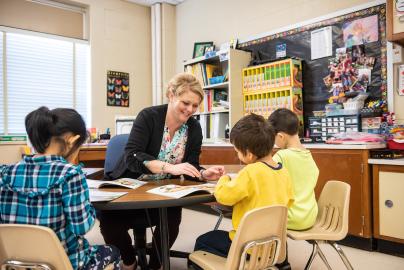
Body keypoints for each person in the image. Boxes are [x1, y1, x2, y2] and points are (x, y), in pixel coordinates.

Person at [99, 73, 225, 270]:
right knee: (109, 221)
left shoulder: (194, 127)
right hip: (131, 184)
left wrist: (202, 174)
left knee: (172, 219)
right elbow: (132, 155)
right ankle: (129, 260)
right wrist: (168, 167)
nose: (190, 109)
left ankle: (156, 265)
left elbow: (192, 163)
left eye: (195, 105)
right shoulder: (149, 117)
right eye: (186, 103)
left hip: (163, 190)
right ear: (171, 95)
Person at [0, 106, 121, 270]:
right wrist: (89, 207)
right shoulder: (70, 174)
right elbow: (82, 227)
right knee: (113, 251)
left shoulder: (5, 173)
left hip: (16, 263)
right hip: (64, 263)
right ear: (72, 140)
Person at [194, 114, 294, 263]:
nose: (237, 155)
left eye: (237, 151)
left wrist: (224, 179)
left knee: (203, 240)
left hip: (247, 246)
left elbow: (224, 196)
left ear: (249, 154)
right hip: (274, 244)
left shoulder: (249, 172)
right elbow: (289, 202)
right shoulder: (284, 172)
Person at [268, 108, 319, 231]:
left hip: (290, 218)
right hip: (310, 217)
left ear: (280, 136)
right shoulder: (308, 154)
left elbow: (266, 180)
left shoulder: (281, 156)